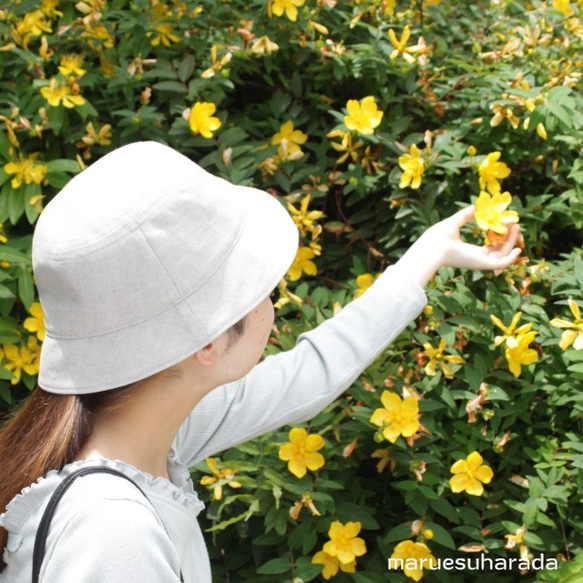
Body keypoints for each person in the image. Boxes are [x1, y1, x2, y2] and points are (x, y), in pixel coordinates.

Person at [0, 141, 521, 582]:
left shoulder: (142, 428)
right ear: (205, 341)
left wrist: (427, 254)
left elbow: (307, 375)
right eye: (258, 284)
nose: (273, 297)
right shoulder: (113, 534)